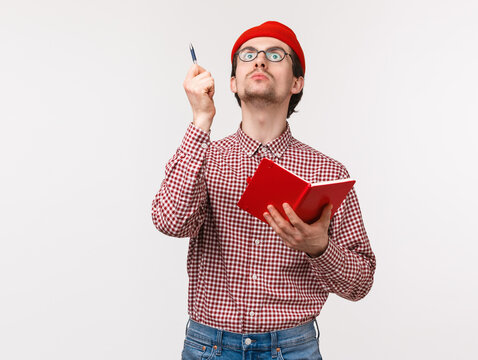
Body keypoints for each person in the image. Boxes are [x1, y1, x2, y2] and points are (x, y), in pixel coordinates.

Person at [151, 20, 376, 360]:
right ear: (232, 83)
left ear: (296, 82)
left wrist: (321, 248)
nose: (259, 61)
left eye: (275, 54)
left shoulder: (327, 173)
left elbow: (359, 284)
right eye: (248, 54)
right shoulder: (203, 157)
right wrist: (200, 120)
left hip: (293, 348)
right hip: (208, 347)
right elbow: (170, 221)